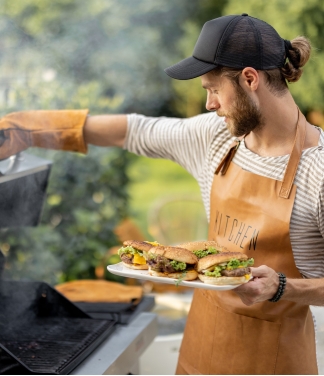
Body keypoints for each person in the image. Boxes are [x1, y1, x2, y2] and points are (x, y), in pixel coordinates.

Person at [0, 13, 323, 374]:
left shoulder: (318, 170)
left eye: (213, 89)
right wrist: (28, 128)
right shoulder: (216, 138)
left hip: (275, 359)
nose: (209, 105)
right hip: (204, 347)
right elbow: (131, 130)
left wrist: (282, 288)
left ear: (250, 79)